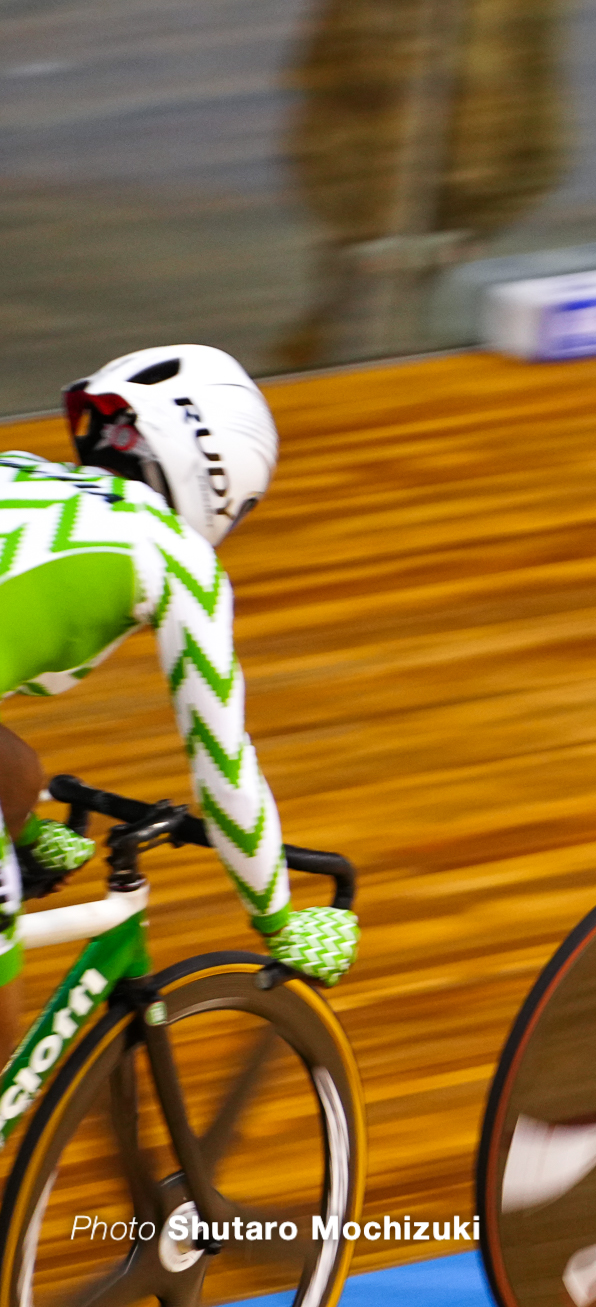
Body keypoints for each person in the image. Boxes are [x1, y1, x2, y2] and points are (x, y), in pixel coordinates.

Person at [0, 345, 359, 1045]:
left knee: (18, 770)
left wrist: (21, 811)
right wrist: (280, 920)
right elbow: (223, 766)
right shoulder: (174, 553)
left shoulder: (17, 469)